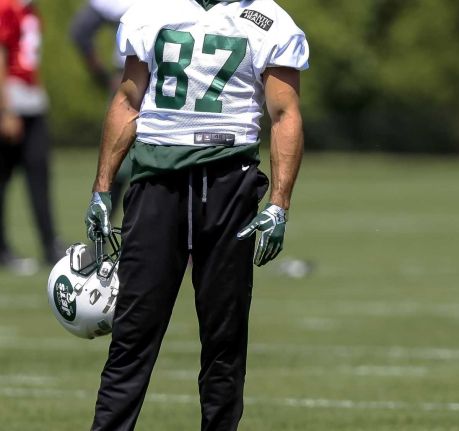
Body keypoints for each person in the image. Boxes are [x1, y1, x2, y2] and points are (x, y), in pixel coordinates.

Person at [83, 0, 308, 428]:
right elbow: (129, 101)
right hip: (156, 184)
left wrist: (279, 202)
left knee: (225, 339)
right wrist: (102, 189)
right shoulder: (150, 11)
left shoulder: (269, 20)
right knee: (133, 336)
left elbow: (284, 114)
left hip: (229, 184)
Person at [0, 0, 61, 273]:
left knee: (40, 172)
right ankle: (2, 249)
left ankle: (50, 244)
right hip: (13, 100)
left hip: (31, 99)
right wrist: (6, 109)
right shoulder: (6, 6)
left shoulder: (29, 8)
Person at [70, 0, 137, 220]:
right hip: (136, 79)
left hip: (147, 81)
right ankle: (104, 233)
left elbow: (80, 31)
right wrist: (104, 77)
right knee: (119, 164)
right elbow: (80, 31)